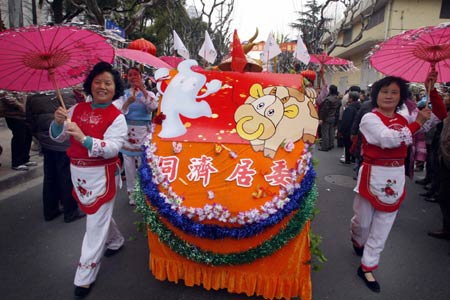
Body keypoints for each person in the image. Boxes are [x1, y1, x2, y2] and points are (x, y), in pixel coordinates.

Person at [350, 71, 447, 293]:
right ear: (376, 95)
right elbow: (387, 139)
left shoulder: (406, 118)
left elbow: (439, 115)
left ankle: (367, 266)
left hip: (395, 177)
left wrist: (432, 92)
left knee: (383, 226)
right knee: (362, 224)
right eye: (384, 91)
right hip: (371, 175)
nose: (389, 96)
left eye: (394, 92)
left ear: (401, 96)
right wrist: (416, 125)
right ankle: (356, 238)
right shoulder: (370, 118)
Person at [50, 61, 128, 299]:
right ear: (89, 84)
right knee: (98, 215)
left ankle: (84, 277)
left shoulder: (117, 117)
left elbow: (114, 147)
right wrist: (58, 122)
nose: (102, 86)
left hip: (102, 176)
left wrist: (85, 139)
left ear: (116, 89)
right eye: (98, 81)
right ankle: (116, 241)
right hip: (78, 174)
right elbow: (59, 138)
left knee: (94, 224)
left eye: (108, 83)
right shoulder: (75, 109)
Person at [26, 90, 86, 223]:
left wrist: (39, 137)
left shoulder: (32, 98)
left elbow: (30, 122)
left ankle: (50, 211)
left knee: (50, 176)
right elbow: (75, 119)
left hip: (46, 142)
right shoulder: (68, 95)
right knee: (66, 177)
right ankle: (70, 211)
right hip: (63, 143)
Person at [113, 66, 158, 206]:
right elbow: (117, 112)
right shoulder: (123, 95)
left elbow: (153, 107)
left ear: (140, 76)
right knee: (129, 166)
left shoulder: (149, 93)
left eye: (135, 74)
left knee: (144, 165)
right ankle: (132, 194)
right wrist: (127, 102)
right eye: (130, 75)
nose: (133, 77)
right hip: (127, 133)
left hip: (144, 132)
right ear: (127, 77)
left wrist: (143, 90)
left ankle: (145, 193)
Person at [0, 91, 37, 171]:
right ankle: (16, 162)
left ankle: (25, 159)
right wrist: (19, 104)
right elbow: (7, 97)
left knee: (28, 136)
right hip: (14, 116)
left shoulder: (22, 87)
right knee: (19, 137)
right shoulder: (6, 88)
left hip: (25, 115)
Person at [338, 91, 361, 164]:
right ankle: (353, 158)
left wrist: (341, 130)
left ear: (351, 98)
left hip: (349, 130)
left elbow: (346, 121)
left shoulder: (349, 108)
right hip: (357, 130)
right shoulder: (361, 106)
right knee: (354, 144)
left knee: (347, 145)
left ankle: (347, 159)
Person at [318, 84, 341, 151]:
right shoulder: (337, 99)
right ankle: (331, 144)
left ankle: (325, 147)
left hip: (327, 117)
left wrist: (321, 118)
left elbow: (325, 110)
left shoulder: (328, 99)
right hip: (333, 117)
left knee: (325, 132)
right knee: (331, 132)